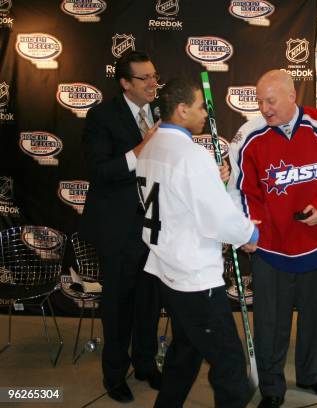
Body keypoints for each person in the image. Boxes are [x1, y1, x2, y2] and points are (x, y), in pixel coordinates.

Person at [228, 70, 317, 408]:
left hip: (316, 236)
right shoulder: (249, 134)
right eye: (259, 101)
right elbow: (241, 189)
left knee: (314, 312)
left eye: (270, 101)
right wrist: (249, 229)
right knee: (271, 319)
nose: (264, 108)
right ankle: (272, 387)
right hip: (270, 244)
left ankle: (312, 374)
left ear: (291, 96)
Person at [136, 78, 258, 408]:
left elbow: (180, 200)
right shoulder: (191, 155)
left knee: (186, 350)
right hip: (193, 278)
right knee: (230, 367)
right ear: (182, 109)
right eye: (201, 106)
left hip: (167, 269)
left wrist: (209, 182)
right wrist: (249, 235)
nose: (205, 112)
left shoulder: (151, 147)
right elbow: (218, 219)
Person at [80, 50, 162, 403]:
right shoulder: (102, 117)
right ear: (125, 83)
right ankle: (114, 375)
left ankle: (145, 363)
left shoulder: (159, 113)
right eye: (144, 78)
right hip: (117, 232)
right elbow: (99, 172)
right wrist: (141, 148)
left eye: (154, 76)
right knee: (117, 308)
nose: (153, 83)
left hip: (154, 229)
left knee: (148, 302)